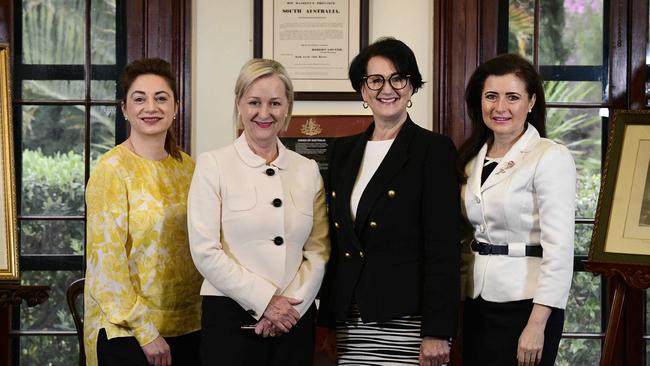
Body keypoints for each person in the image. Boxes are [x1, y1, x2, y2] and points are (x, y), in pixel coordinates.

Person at [317, 37, 461, 366]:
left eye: (398, 78)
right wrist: (327, 321)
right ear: (362, 90)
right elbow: (336, 247)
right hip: (350, 321)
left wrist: (438, 331)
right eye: (375, 80)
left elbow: (443, 248)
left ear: (411, 87)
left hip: (408, 320)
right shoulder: (343, 151)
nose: (388, 88)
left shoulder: (433, 150)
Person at [187, 58, 330, 365]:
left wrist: (289, 309)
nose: (264, 113)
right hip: (230, 318)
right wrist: (265, 302)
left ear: (287, 107)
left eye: (275, 103)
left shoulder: (307, 170)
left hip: (294, 317)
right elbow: (205, 251)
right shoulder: (213, 165)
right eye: (254, 102)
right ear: (239, 104)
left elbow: (318, 250)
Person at [458, 53, 576, 366]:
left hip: (528, 303)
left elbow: (560, 248)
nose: (500, 108)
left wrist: (538, 324)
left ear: (532, 101)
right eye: (491, 96)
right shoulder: (469, 158)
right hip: (475, 299)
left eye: (513, 97)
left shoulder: (550, 156)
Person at [83, 58, 202, 366]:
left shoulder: (189, 168)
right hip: (129, 333)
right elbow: (106, 267)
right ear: (125, 109)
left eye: (161, 98)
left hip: (190, 326)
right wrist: (146, 332)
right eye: (140, 99)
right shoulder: (112, 170)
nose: (152, 107)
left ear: (176, 106)